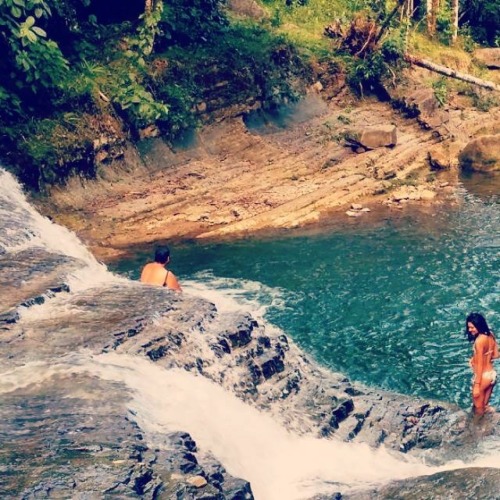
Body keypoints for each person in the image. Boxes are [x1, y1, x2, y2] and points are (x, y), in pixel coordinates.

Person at [466, 312, 498, 416]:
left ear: (479, 325)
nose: (470, 330)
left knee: (478, 410)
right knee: (484, 406)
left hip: (483, 377)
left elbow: (480, 365)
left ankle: (477, 430)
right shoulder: (490, 335)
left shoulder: (479, 341)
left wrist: (476, 385)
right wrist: (475, 358)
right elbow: (496, 354)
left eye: (472, 327)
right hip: (492, 374)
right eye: (469, 327)